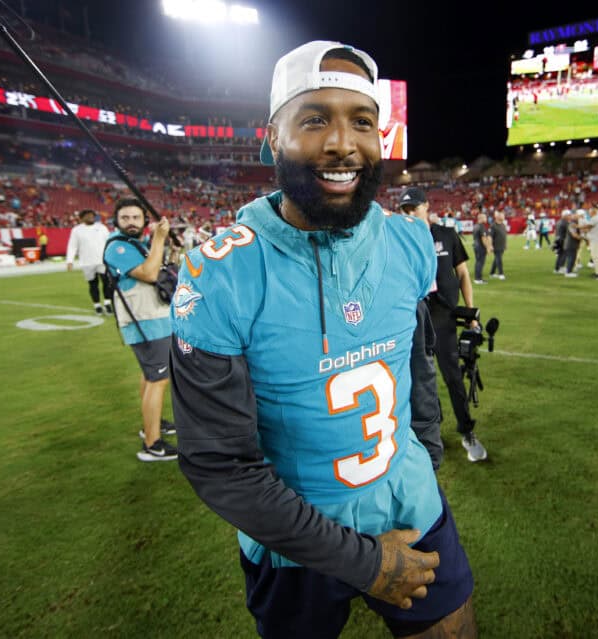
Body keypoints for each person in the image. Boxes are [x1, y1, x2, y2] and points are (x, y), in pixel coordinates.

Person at [169, 41, 477, 639]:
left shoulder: (410, 242)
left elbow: (414, 362)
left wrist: (427, 459)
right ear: (274, 137)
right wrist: (366, 563)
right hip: (293, 545)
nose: (343, 143)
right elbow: (220, 465)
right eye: (315, 119)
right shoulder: (222, 273)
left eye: (362, 121)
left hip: (411, 504)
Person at [399, 187, 489, 463]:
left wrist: (470, 312)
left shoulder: (446, 235)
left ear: (426, 205)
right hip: (414, 317)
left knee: (453, 378)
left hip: (444, 317)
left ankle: (467, 432)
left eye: (415, 206)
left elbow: (463, 274)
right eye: (406, 209)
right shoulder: (401, 239)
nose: (411, 212)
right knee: (418, 380)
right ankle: (430, 429)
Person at [103, 198, 177, 462]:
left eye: (136, 217)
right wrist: (158, 238)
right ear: (116, 220)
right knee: (158, 379)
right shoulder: (117, 247)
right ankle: (153, 444)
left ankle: (151, 424)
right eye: (125, 218)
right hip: (144, 321)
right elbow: (149, 274)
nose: (131, 222)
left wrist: (165, 247)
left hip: (153, 318)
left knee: (150, 376)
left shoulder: (135, 244)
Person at [66, 208, 112, 315]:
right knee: (93, 284)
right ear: (81, 218)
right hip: (87, 262)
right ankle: (97, 305)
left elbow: (109, 242)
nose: (90, 217)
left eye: (92, 215)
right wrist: (70, 261)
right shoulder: (76, 230)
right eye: (87, 215)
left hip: (102, 261)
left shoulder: (102, 228)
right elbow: (72, 246)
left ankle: (107, 303)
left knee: (107, 282)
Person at [582, 205, 598, 280]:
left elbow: (587, 227)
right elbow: (589, 229)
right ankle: (597, 272)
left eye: (590, 212)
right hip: (596, 240)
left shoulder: (595, 218)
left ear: (593, 212)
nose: (589, 213)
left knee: (596, 257)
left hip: (596, 240)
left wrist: (577, 226)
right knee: (595, 256)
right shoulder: (596, 218)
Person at [472, 211, 492, 284]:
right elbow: (483, 238)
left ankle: (478, 278)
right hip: (480, 247)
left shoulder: (476, 226)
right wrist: (487, 248)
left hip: (476, 246)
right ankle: (478, 279)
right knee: (480, 262)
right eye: (485, 217)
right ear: (481, 218)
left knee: (478, 262)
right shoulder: (481, 226)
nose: (486, 218)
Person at [489, 211, 507, 280]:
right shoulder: (493, 226)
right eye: (502, 216)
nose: (504, 217)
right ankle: (501, 274)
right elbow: (490, 237)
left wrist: (505, 244)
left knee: (496, 259)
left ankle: (492, 273)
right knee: (499, 260)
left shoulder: (503, 224)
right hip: (496, 246)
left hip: (502, 245)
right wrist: (490, 245)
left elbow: (504, 235)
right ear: (498, 217)